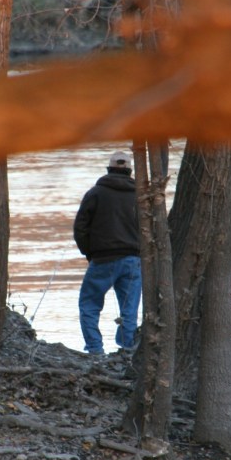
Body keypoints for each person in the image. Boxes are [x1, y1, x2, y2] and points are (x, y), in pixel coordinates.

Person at [73, 150, 141, 356]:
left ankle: (95, 350)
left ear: (109, 169)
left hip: (103, 259)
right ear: (130, 171)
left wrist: (89, 253)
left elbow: (80, 228)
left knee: (89, 305)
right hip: (133, 260)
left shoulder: (95, 193)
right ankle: (128, 350)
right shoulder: (141, 194)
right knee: (129, 309)